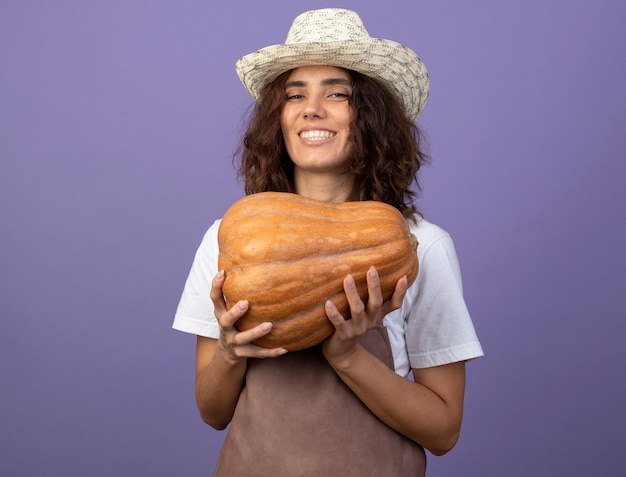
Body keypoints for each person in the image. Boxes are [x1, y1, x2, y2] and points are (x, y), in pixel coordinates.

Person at [173, 8, 483, 476]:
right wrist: (229, 352)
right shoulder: (226, 235)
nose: (311, 108)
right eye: (294, 94)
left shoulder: (422, 245)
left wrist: (348, 356)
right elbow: (212, 413)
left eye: (337, 94)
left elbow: (443, 432)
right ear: (278, 118)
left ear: (371, 117)